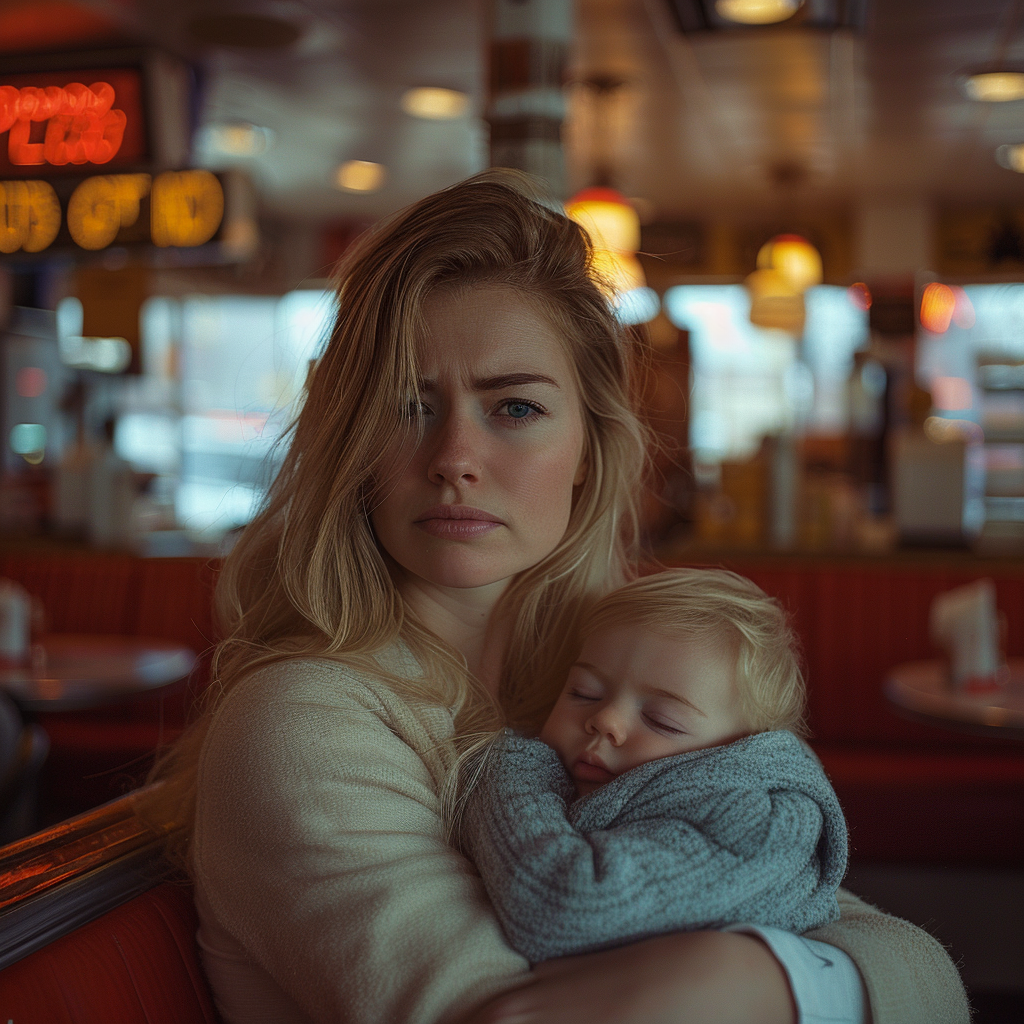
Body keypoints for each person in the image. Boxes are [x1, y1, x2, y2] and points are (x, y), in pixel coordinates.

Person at [144, 169, 969, 1024]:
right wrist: (793, 980)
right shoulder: (304, 717)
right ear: (353, 446)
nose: (454, 456)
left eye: (514, 408)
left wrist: (772, 980)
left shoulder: (609, 683)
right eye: (407, 406)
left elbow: (882, 946)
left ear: (588, 447)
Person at [460, 569, 848, 965]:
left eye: (662, 720)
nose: (606, 720)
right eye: (583, 692)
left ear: (738, 749)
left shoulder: (755, 822)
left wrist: (512, 763)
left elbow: (561, 907)